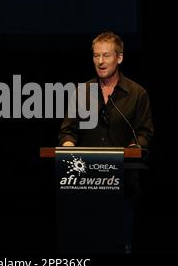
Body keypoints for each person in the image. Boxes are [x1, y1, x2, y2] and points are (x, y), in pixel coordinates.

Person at [58, 31, 154, 253]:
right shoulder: (82, 93)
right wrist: (69, 146)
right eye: (95, 56)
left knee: (119, 246)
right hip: (85, 184)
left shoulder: (137, 94)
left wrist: (134, 146)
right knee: (85, 245)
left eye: (106, 55)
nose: (100, 62)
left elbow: (144, 133)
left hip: (123, 185)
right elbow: (67, 131)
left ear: (119, 58)